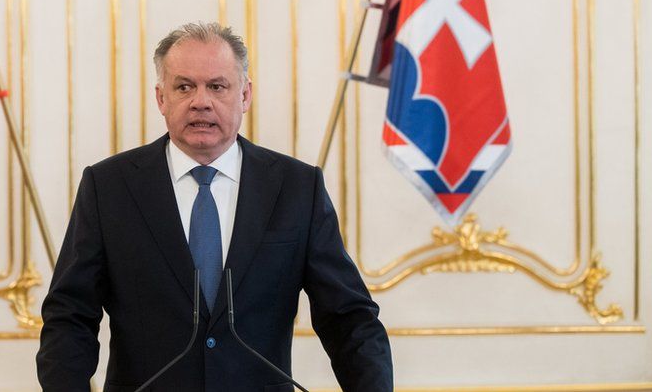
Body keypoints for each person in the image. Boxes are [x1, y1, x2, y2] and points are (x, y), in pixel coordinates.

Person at [37, 22, 392, 392]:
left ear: (245, 96)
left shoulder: (296, 188)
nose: (200, 101)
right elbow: (70, 316)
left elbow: (349, 319)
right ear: (161, 98)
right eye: (184, 86)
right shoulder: (109, 186)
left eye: (217, 86)